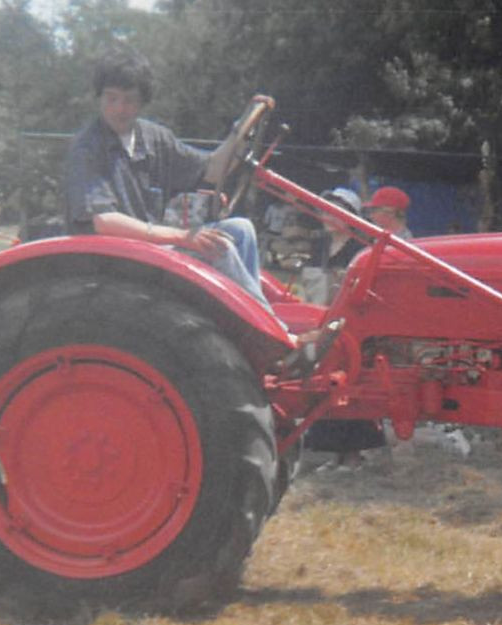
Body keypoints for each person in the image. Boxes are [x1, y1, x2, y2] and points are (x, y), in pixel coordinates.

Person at [62, 48, 275, 311]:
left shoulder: (154, 139)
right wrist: (183, 236)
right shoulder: (86, 148)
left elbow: (213, 169)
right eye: (111, 98)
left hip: (149, 252)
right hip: (111, 262)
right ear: (99, 97)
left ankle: (248, 323)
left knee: (241, 229)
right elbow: (103, 221)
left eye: (128, 100)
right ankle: (268, 327)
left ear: (141, 102)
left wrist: (242, 130)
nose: (119, 108)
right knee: (218, 247)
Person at [302, 186, 386, 471]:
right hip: (322, 323)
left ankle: (353, 455)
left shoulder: (359, 250)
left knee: (351, 387)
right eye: (325, 209)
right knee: (324, 387)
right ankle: (333, 453)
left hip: (353, 327)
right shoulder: (320, 245)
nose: (328, 216)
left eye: (336, 211)